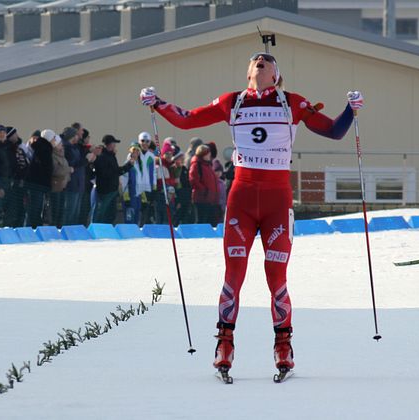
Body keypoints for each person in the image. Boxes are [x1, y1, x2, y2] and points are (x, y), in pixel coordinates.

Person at [140, 51, 363, 374]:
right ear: (248, 73)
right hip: (241, 199)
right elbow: (188, 119)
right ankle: (224, 344)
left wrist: (350, 110)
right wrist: (158, 103)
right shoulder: (233, 102)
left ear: (276, 75)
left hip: (277, 201)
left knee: (276, 279)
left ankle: (283, 345)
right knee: (233, 275)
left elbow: (333, 131)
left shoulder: (292, 102)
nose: (261, 60)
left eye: (268, 61)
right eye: (255, 60)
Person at [90, 134, 134, 224]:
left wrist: (128, 166)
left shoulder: (111, 156)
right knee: (101, 213)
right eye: (114, 143)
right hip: (106, 191)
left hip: (112, 190)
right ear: (109, 144)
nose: (115, 145)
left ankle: (106, 230)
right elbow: (110, 173)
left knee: (111, 214)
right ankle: (97, 229)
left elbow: (115, 171)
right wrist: (127, 166)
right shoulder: (102, 157)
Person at [26, 130, 54, 228]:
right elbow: (42, 168)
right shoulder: (43, 149)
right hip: (37, 184)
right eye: (53, 138)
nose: (55, 140)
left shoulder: (45, 149)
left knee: (39, 208)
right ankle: (31, 228)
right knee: (35, 208)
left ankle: (35, 226)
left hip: (41, 184)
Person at [189, 144, 218, 225]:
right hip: (200, 197)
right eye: (207, 153)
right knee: (200, 219)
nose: (209, 155)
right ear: (203, 154)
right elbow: (193, 180)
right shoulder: (196, 165)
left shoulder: (207, 165)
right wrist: (204, 190)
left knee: (207, 219)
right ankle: (197, 236)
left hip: (208, 197)